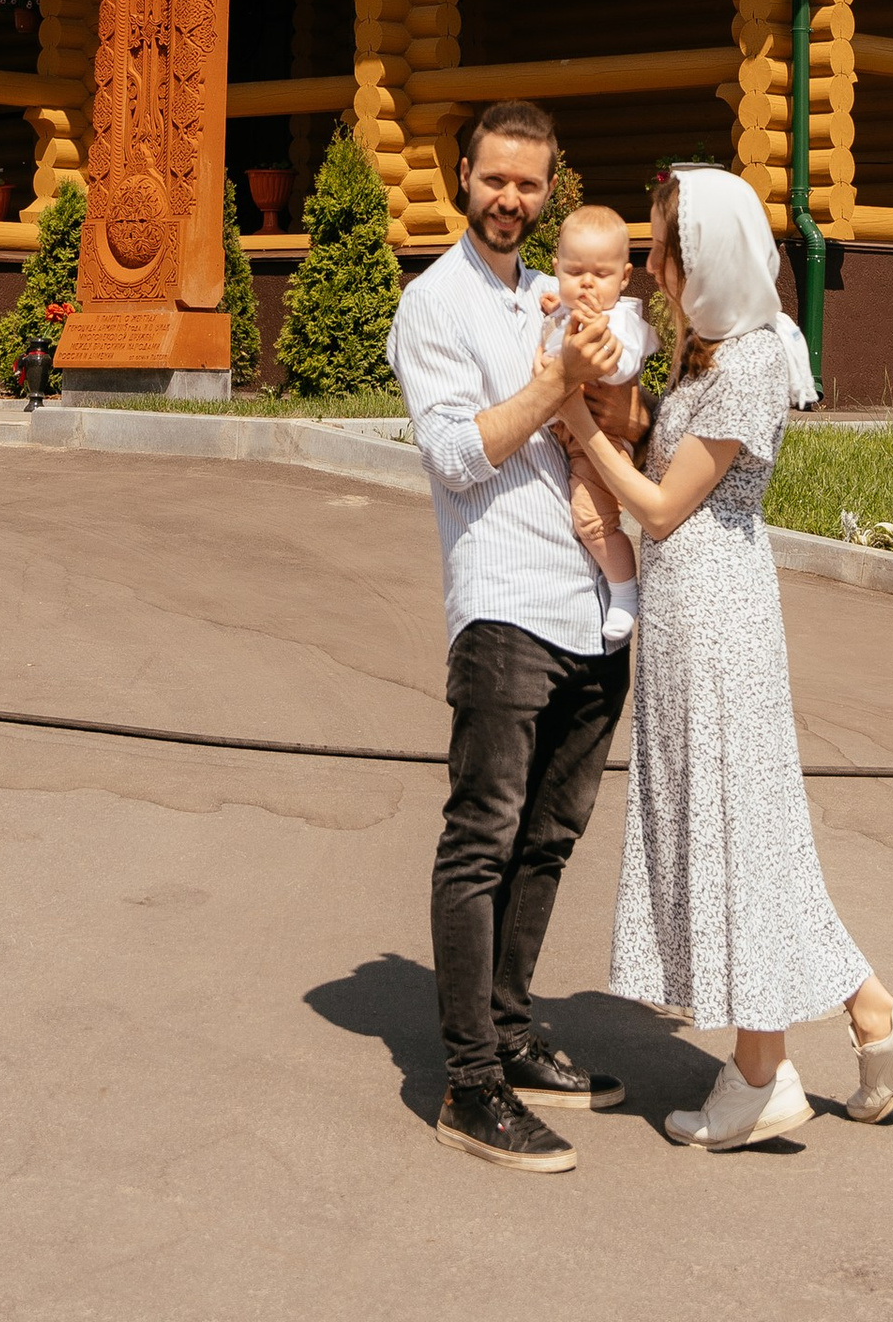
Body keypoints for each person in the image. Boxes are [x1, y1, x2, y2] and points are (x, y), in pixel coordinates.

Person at [558, 165, 893, 1151]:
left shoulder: (753, 361)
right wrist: (618, 404)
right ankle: (876, 1020)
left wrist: (567, 419)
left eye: (662, 250)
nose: (649, 265)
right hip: (688, 615)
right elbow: (657, 461)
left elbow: (658, 505)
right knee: (748, 833)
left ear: (711, 258)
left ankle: (762, 1072)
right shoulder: (711, 348)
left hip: (720, 621)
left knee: (733, 833)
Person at [386, 101, 640, 1174]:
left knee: (549, 834)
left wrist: (601, 376)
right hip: (502, 605)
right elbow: (456, 455)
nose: (510, 200)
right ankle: (469, 1082)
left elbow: (625, 407)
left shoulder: (555, 291)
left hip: (595, 601)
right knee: (482, 837)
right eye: (495, 179)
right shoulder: (433, 305)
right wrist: (557, 383)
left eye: (530, 184)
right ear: (463, 176)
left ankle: (511, 1024)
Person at [542, 200, 654, 588]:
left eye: (600, 274)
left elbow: (623, 367)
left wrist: (599, 338)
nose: (587, 283)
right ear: (557, 272)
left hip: (601, 437)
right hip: (562, 432)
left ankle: (624, 589)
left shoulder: (620, 319)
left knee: (592, 520)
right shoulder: (565, 308)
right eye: (575, 272)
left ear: (624, 278)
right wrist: (556, 311)